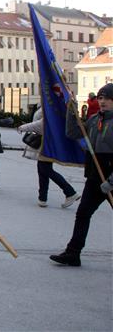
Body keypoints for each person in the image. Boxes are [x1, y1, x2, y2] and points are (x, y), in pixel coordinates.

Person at [50, 83, 113, 267]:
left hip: (109, 179)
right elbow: (73, 132)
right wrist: (71, 109)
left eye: (107, 98)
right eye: (100, 98)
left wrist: (111, 182)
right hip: (95, 177)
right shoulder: (94, 120)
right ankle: (73, 253)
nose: (102, 102)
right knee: (83, 213)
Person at [17, 106, 80, 208]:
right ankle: (42, 198)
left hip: (46, 145)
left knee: (46, 170)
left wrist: (23, 127)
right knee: (42, 170)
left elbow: (43, 124)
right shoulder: (46, 103)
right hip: (46, 144)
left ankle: (70, 192)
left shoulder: (51, 104)